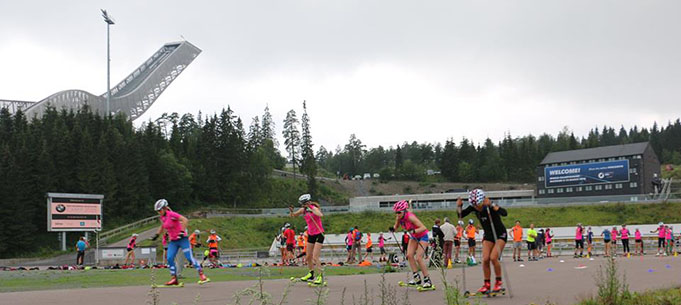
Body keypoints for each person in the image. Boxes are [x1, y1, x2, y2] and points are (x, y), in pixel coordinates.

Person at [457, 189, 508, 295]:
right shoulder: (473, 207)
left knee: (493, 258)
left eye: (478, 204)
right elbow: (460, 215)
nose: (476, 207)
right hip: (488, 235)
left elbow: (504, 213)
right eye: (474, 205)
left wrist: (492, 205)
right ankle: (487, 284)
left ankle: (498, 282)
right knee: (485, 259)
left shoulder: (489, 206)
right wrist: (459, 206)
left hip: (500, 234)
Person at [151, 199, 208, 286]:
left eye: (159, 210)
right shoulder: (162, 217)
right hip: (173, 241)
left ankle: (202, 275)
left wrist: (182, 231)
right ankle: (174, 278)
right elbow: (163, 225)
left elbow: (185, 220)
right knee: (169, 258)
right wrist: (157, 234)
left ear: (165, 208)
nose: (159, 212)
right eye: (157, 211)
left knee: (189, 258)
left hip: (182, 239)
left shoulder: (172, 215)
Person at [391, 199, 432, 289]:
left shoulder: (410, 217)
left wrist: (414, 231)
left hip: (422, 236)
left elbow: (424, 228)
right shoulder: (399, 217)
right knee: (409, 255)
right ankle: (416, 278)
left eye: (399, 212)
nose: (397, 214)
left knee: (418, 258)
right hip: (413, 237)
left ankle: (427, 280)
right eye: (396, 213)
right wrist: (393, 229)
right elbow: (396, 226)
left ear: (404, 211)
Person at [289, 194, 326, 286]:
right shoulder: (303, 210)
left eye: (303, 204)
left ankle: (320, 276)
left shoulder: (314, 208)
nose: (302, 206)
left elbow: (320, 214)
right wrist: (291, 211)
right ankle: (311, 274)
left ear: (307, 202)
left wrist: (311, 209)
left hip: (319, 234)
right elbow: (293, 216)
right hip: (311, 235)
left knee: (315, 257)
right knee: (308, 256)